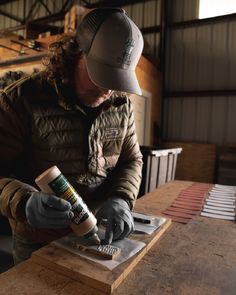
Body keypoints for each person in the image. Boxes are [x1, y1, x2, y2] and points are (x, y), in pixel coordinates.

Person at [0, 7, 144, 264]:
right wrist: (22, 201)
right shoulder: (21, 100)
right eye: (102, 74)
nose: (109, 89)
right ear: (77, 53)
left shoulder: (122, 104)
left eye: (116, 79)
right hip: (39, 240)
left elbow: (131, 160)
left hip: (101, 233)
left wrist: (121, 197)